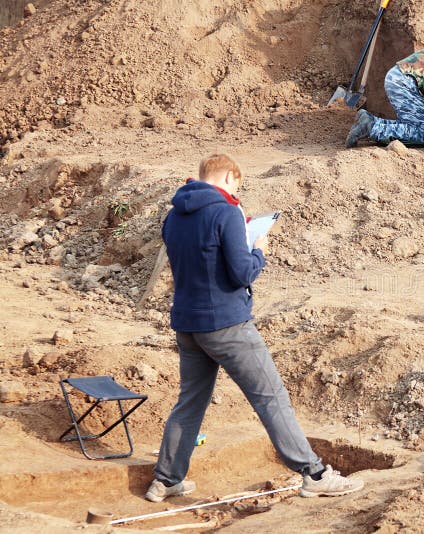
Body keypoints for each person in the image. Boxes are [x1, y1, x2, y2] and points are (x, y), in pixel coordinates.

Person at [145, 154, 363, 502]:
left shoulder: (174, 215)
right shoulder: (226, 211)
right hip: (227, 324)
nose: (237, 191)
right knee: (272, 398)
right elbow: (242, 272)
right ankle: (315, 474)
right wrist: (259, 250)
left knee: (189, 402)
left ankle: (167, 479)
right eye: (238, 184)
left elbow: (200, 261)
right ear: (229, 177)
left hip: (188, 324)